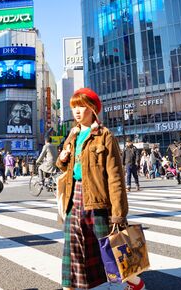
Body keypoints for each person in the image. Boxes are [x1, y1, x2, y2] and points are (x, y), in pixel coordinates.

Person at [55, 88, 145, 290]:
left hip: (97, 199)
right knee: (73, 250)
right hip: (73, 197)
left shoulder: (105, 136)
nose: (77, 111)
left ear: (93, 109)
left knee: (112, 248)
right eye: (74, 107)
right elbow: (65, 166)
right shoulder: (73, 135)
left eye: (81, 106)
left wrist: (118, 214)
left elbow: (115, 178)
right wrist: (62, 160)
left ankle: (135, 282)